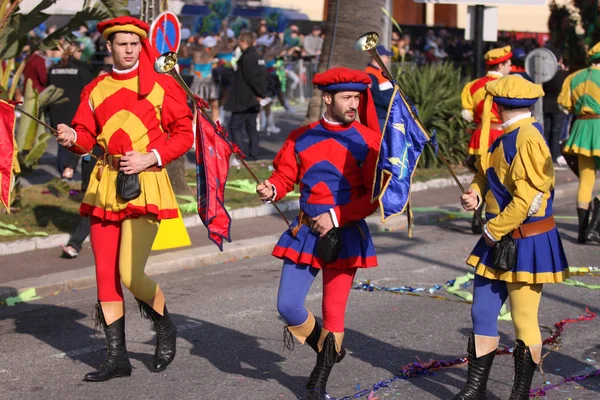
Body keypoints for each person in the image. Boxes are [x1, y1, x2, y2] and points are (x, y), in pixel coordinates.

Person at [55, 16, 193, 381]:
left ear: (141, 45)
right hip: (104, 184)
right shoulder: (95, 88)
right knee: (104, 275)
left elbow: (184, 133)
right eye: (122, 43)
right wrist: (72, 137)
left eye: (135, 43)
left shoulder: (161, 85)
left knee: (131, 274)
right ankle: (117, 358)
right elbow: (86, 135)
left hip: (145, 183)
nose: (129, 49)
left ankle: (165, 326)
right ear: (110, 47)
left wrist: (152, 156)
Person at [256, 67, 381, 400]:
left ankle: (318, 382)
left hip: (346, 233)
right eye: (347, 98)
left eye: (357, 97)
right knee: (288, 305)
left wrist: (337, 216)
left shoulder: (370, 141)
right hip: (304, 231)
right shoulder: (301, 137)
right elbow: (285, 176)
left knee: (333, 313)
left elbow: (373, 196)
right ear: (327, 98)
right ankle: (329, 349)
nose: (354, 103)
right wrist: (272, 188)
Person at [454, 75, 569, 400]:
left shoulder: (529, 139)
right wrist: (476, 193)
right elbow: (485, 173)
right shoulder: (504, 136)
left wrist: (492, 230)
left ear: (500, 105)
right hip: (498, 237)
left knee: (523, 320)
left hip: (524, 241)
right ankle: (475, 388)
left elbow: (527, 199)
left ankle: (518, 395)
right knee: (482, 313)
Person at [461, 45, 513, 234]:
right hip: (500, 134)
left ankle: (477, 216)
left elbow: (466, 114)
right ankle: (490, 219)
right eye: (508, 64)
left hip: (480, 135)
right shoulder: (507, 84)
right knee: (497, 178)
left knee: (481, 176)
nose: (510, 68)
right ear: (501, 66)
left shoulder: (473, 86)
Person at [558, 41, 600, 244]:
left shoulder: (574, 77)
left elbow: (564, 106)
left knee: (586, 180)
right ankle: (595, 227)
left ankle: (583, 232)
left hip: (581, 128)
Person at [48, 42, 94, 180]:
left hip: (56, 109)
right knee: (71, 139)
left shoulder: (53, 69)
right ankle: (67, 170)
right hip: (74, 109)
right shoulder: (81, 70)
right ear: (75, 52)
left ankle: (63, 170)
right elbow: (89, 90)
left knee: (60, 139)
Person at [225, 31, 267, 161]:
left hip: (245, 98)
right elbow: (261, 76)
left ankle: (240, 155)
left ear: (243, 42)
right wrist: (261, 93)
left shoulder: (248, 57)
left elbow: (252, 78)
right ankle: (253, 154)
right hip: (252, 98)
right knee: (251, 127)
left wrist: (260, 93)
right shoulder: (257, 56)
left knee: (234, 125)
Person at [542, 53, 568, 168]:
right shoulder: (562, 74)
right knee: (556, 131)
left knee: (547, 130)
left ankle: (546, 153)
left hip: (547, 104)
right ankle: (555, 154)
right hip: (558, 105)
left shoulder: (546, 74)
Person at [365, 45, 394, 131]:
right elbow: (374, 95)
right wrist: (391, 103)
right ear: (378, 58)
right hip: (380, 116)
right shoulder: (370, 73)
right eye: (386, 57)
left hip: (387, 115)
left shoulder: (380, 72)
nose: (388, 59)